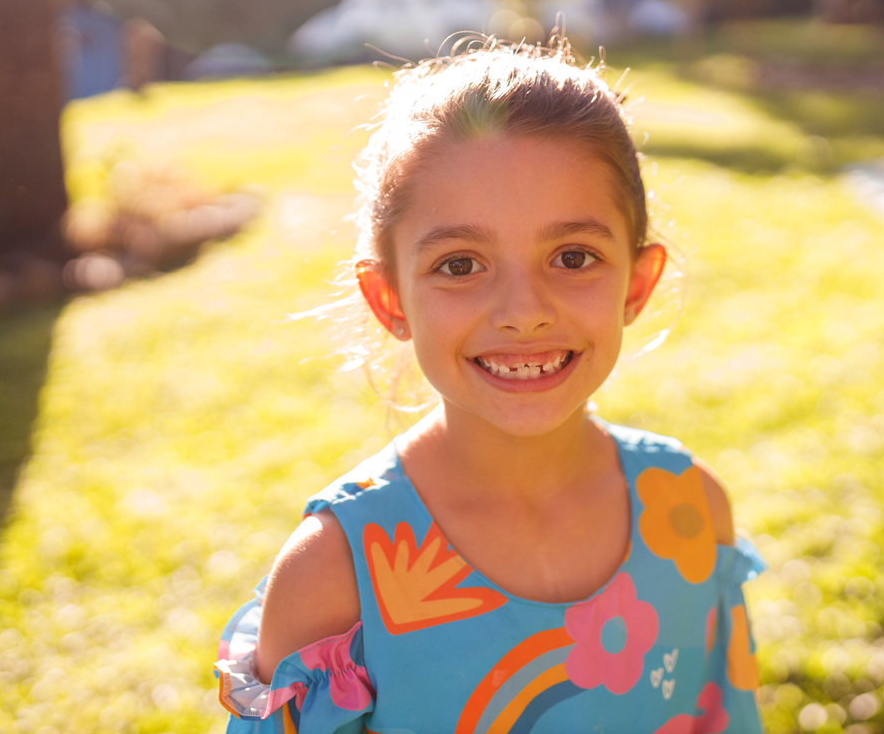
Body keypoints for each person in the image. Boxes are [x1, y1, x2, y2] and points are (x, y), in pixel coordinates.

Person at [214, 36, 766, 733]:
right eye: (460, 265)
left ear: (638, 282)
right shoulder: (338, 572)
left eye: (572, 257)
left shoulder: (687, 507)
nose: (523, 310)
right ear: (390, 301)